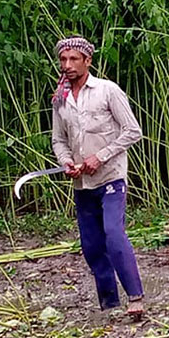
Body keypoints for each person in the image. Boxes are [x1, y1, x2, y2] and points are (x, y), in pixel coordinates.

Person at [49, 36, 146, 318]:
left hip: (111, 178)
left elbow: (132, 131)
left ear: (87, 61)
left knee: (114, 235)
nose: (67, 65)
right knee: (91, 246)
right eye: (63, 60)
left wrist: (99, 157)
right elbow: (58, 140)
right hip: (82, 184)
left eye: (73, 59)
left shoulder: (107, 91)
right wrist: (67, 162)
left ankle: (135, 296)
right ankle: (109, 304)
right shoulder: (61, 100)